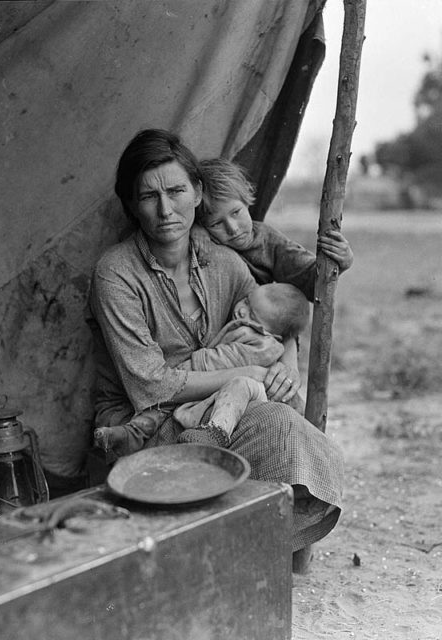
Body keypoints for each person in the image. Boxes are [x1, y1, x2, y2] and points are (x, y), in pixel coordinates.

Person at [87, 128, 343, 553]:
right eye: (149, 196)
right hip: (144, 423)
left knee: (286, 424)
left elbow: (271, 322)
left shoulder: (224, 262)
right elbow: (149, 385)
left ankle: (241, 550)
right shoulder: (116, 273)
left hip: (216, 417)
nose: (166, 209)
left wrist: (285, 365)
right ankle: (222, 547)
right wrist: (251, 372)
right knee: (271, 423)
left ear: (197, 193)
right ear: (132, 205)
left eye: (176, 190)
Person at [94, 282, 309, 453]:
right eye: (246, 301)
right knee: (162, 407)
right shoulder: (249, 326)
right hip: (215, 384)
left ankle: (214, 434)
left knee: (172, 402)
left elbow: (225, 358)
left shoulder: (263, 345)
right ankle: (132, 433)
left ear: (273, 333)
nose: (242, 310)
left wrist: (192, 366)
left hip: (227, 389)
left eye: (252, 315)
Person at [193, 157, 354, 301]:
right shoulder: (200, 238)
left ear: (246, 201)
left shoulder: (269, 240)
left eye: (236, 212)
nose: (233, 229)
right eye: (216, 224)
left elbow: (309, 279)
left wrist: (340, 261)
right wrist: (195, 231)